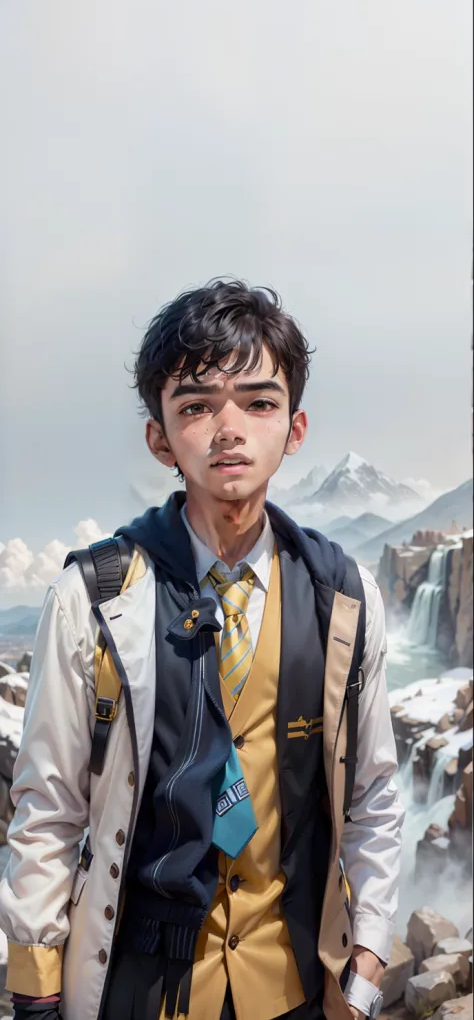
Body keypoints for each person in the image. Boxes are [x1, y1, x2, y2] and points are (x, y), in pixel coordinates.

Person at [0, 279, 404, 1020]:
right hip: (139, 986)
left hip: (295, 987)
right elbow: (49, 807)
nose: (229, 428)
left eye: (258, 402)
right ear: (159, 436)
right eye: (195, 405)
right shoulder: (92, 597)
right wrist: (36, 990)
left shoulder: (341, 594)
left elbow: (374, 792)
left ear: (296, 426)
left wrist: (369, 957)